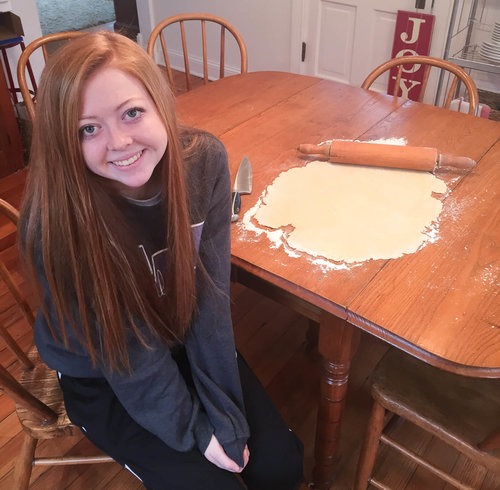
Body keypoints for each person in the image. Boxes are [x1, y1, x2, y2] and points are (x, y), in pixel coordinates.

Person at [19, 31, 303, 489]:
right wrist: (195, 429)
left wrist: (225, 412)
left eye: (132, 112)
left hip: (177, 335)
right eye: (87, 128)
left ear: (159, 105)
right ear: (63, 141)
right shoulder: (54, 221)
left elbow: (208, 301)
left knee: (280, 467)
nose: (119, 142)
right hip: (102, 369)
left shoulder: (202, 163)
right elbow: (127, 352)